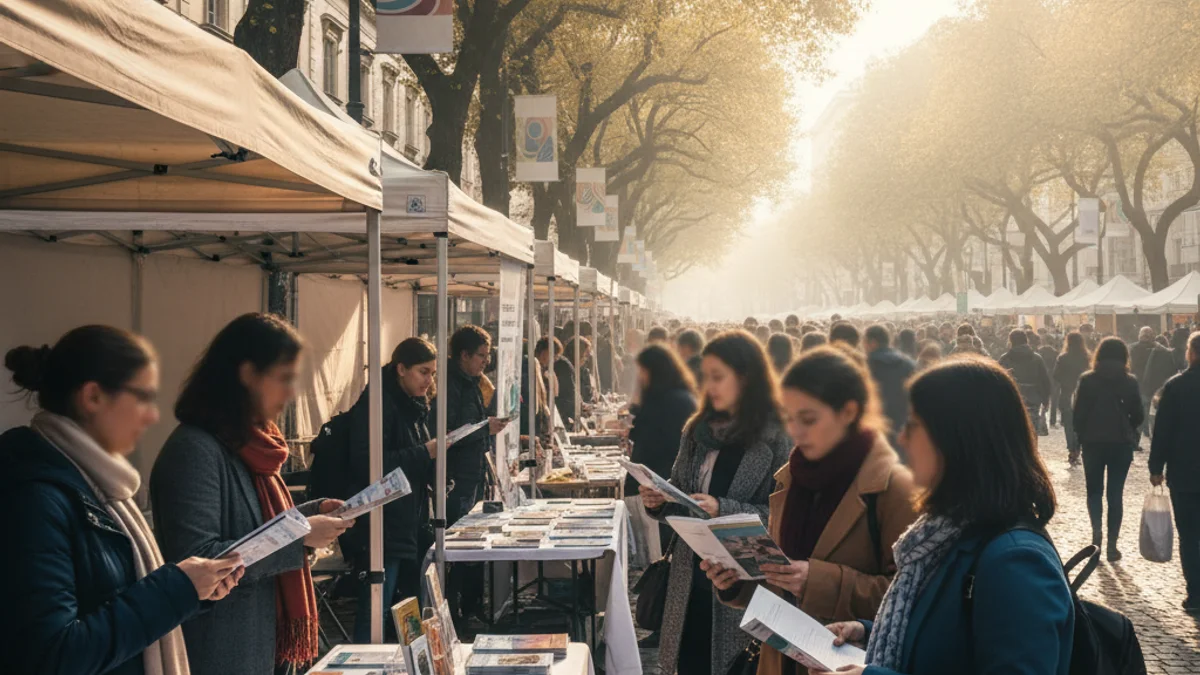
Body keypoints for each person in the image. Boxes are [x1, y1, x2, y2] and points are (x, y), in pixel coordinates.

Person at [2, 327, 243, 675]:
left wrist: (195, 590)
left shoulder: (101, 487)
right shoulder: (34, 499)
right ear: (93, 398)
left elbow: (115, 597)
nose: (152, 416)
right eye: (142, 397)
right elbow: (53, 655)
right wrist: (178, 589)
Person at [818, 358, 1073, 675]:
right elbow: (945, 638)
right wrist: (868, 633)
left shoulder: (1014, 560)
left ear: (957, 438)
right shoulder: (945, 534)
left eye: (913, 425)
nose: (902, 439)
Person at [150, 313, 354, 675]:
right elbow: (201, 562)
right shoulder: (194, 450)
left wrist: (309, 513)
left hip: (257, 643)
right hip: (220, 652)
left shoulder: (243, 443)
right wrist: (302, 535)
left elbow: (255, 523)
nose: (292, 393)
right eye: (284, 379)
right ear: (247, 375)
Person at [704, 346, 918, 675]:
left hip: (847, 663)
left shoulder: (893, 488)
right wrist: (734, 582)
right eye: (789, 418)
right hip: (781, 660)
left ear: (848, 412)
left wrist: (816, 580)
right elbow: (779, 579)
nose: (795, 431)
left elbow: (911, 598)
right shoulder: (792, 477)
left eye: (808, 419)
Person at [640, 330, 792, 675]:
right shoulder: (697, 430)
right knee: (691, 662)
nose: (710, 385)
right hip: (690, 576)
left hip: (747, 582)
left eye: (718, 377)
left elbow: (786, 517)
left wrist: (722, 508)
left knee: (735, 666)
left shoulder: (778, 435)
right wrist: (659, 501)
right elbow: (680, 493)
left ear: (747, 377)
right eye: (706, 376)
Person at [344, 338, 438, 642]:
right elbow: (370, 463)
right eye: (424, 372)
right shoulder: (379, 404)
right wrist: (426, 453)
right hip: (383, 524)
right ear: (401, 369)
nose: (429, 380)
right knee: (377, 609)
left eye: (432, 373)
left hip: (407, 520)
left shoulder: (411, 404)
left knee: (404, 607)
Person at [436, 325, 509, 620]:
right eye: (481, 355)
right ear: (463, 355)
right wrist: (484, 428)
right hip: (457, 478)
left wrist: (486, 427)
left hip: (473, 473)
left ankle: (472, 607)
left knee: (475, 541)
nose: (485, 362)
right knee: (460, 546)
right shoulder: (451, 386)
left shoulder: (472, 382)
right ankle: (455, 610)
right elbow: (446, 434)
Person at [624, 344, 698, 574]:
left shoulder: (670, 400)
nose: (640, 377)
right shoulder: (674, 396)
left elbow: (653, 439)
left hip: (664, 480)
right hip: (663, 481)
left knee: (664, 545)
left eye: (643, 371)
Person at [1072, 337, 1143, 562]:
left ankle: (1096, 538)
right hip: (1120, 444)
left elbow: (1078, 416)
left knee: (1094, 491)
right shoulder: (1129, 382)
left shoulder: (1087, 380)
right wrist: (1127, 427)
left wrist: (1081, 436)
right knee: (1115, 494)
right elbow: (1139, 415)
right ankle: (1113, 545)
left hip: (1093, 443)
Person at [1150, 331, 1200, 614]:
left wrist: (1156, 467)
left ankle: (1196, 594)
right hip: (1185, 472)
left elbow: (1163, 432)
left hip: (1185, 472)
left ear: (1190, 353)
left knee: (1190, 536)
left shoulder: (1176, 386)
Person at [863, 325, 916, 458]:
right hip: (903, 426)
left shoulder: (866, 365)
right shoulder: (908, 364)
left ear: (872, 342)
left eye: (864, 343)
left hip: (876, 428)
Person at [999, 329, 1051, 430]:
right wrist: (1045, 400)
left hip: (1011, 398)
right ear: (1026, 340)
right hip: (1033, 398)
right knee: (1032, 429)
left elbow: (997, 380)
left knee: (1013, 430)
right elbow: (1045, 381)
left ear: (1010, 341)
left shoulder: (1004, 358)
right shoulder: (1037, 358)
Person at [1053, 331, 1090, 466]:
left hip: (1067, 393)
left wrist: (1066, 382)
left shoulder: (1063, 357)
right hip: (1084, 394)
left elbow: (1056, 375)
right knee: (1081, 424)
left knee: (1069, 423)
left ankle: (1072, 449)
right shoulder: (1087, 357)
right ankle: (1078, 448)